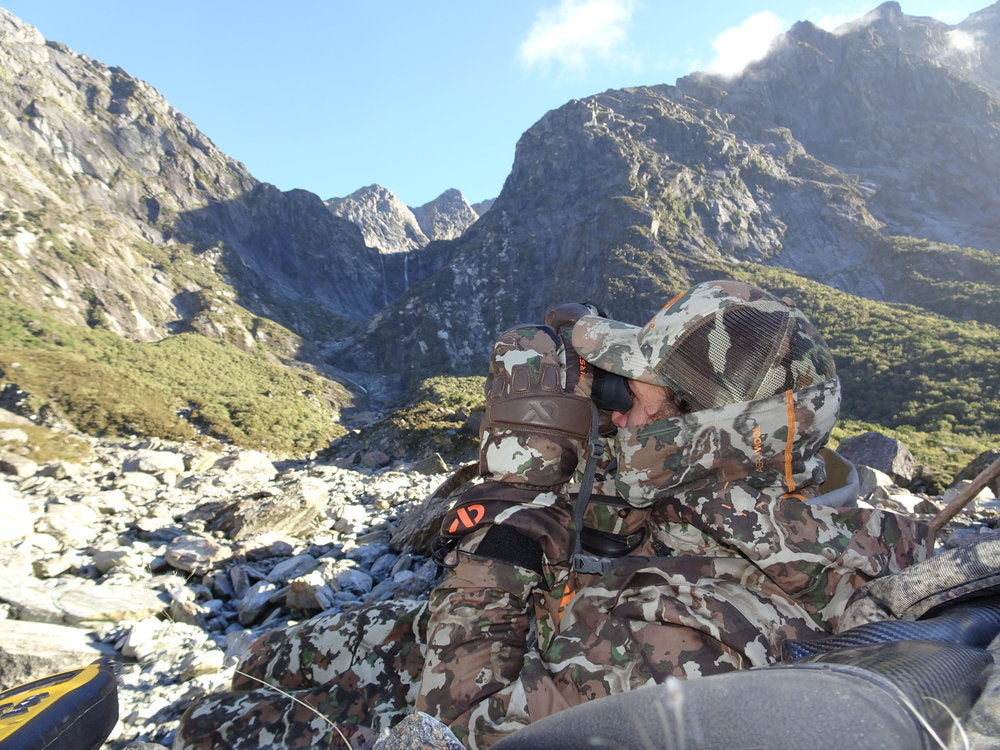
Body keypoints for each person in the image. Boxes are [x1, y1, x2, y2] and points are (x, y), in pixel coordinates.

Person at [174, 279, 927, 750]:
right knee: (270, 658)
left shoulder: (698, 634)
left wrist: (498, 539)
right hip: (530, 641)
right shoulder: (761, 504)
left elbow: (454, 734)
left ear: (705, 432)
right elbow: (655, 532)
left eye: (636, 395)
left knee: (222, 729)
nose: (617, 410)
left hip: (473, 692)